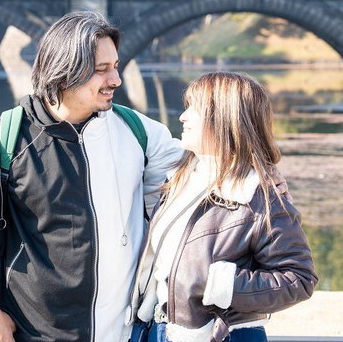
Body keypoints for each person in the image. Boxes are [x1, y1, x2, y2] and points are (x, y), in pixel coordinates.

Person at [0, 11, 183, 342]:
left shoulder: (140, 133)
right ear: (65, 73)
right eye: (102, 70)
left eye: (116, 66)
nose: (116, 80)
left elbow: (205, 178)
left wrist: (265, 174)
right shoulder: (6, 137)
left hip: (125, 335)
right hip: (32, 335)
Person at [127, 72, 318, 342]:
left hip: (223, 336)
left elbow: (299, 278)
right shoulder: (180, 179)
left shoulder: (258, 195)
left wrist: (223, 285)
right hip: (161, 331)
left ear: (223, 118)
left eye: (194, 108)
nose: (183, 117)